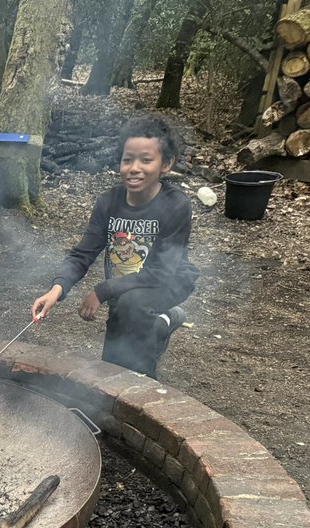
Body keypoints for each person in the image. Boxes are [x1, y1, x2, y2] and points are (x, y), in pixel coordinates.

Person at [31, 115, 197, 379]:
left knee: (132, 306)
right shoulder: (109, 203)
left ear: (166, 164)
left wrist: (103, 290)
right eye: (127, 159)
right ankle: (160, 326)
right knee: (117, 346)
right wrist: (56, 289)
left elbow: (161, 272)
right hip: (128, 285)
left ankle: (142, 388)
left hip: (171, 280)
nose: (134, 168)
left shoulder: (175, 205)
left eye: (146, 160)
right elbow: (82, 253)